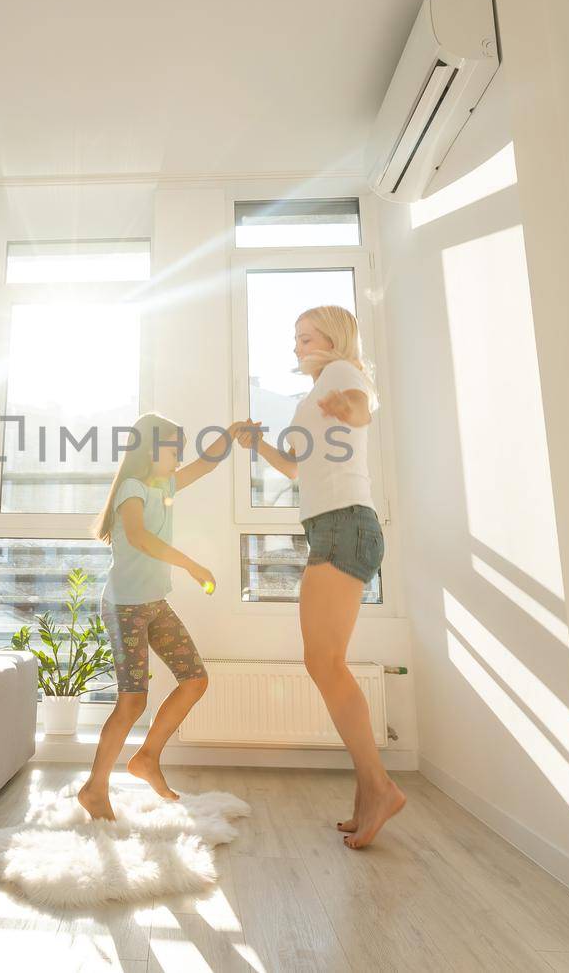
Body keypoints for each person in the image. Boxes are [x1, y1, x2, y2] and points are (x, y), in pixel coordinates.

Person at [233, 305, 407, 849]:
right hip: (335, 526)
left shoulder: (341, 374)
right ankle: (367, 794)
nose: (297, 345)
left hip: (343, 527)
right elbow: (296, 467)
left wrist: (347, 405)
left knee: (322, 662)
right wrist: (257, 443)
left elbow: (360, 409)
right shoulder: (316, 391)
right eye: (295, 337)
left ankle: (379, 788)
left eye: (306, 336)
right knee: (327, 662)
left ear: (332, 339)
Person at [77, 413, 231, 821]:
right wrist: (193, 566)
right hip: (125, 608)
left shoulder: (165, 484)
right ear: (152, 449)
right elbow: (141, 538)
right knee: (132, 703)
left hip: (154, 604)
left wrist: (230, 434)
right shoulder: (133, 488)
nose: (180, 457)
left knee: (195, 680)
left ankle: (147, 758)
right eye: (174, 449)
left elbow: (206, 463)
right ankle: (94, 789)